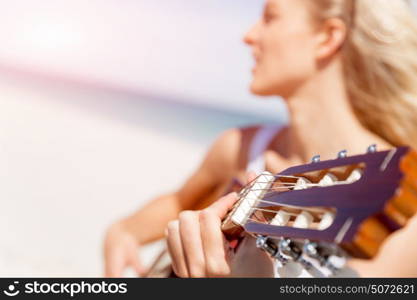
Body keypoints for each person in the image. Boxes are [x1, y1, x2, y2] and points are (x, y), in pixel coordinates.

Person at [104, 0, 417, 277]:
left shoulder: (404, 211)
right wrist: (124, 231)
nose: (249, 35)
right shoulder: (241, 148)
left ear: (327, 37)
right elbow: (180, 202)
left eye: (270, 17)